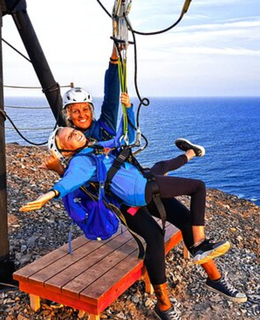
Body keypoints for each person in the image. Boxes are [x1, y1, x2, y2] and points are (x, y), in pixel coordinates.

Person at [23, 94, 247, 320]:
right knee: (155, 239)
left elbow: (122, 130)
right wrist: (53, 186)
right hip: (127, 202)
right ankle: (163, 305)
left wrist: (127, 106)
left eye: (85, 110)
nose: (81, 118)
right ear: (68, 117)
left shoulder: (100, 134)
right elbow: (74, 184)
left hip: (141, 182)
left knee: (185, 216)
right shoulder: (78, 159)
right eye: (75, 114)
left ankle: (215, 279)